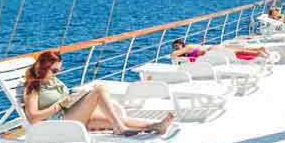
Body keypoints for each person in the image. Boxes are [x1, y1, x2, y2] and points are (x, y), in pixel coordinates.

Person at [22, 50, 173, 135]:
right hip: (59, 122)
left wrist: (73, 100)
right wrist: (60, 105)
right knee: (99, 89)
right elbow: (33, 117)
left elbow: (64, 102)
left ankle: (154, 126)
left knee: (114, 119)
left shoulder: (53, 81)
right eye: (55, 70)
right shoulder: (33, 87)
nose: (57, 73)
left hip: (71, 113)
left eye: (60, 70)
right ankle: (120, 129)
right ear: (43, 68)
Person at [170, 38, 275, 63]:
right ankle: (260, 49)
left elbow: (173, 55)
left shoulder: (187, 48)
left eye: (177, 46)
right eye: (175, 46)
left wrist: (178, 55)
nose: (176, 48)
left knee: (238, 52)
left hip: (213, 50)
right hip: (213, 48)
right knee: (239, 50)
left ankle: (259, 53)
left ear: (182, 45)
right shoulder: (189, 49)